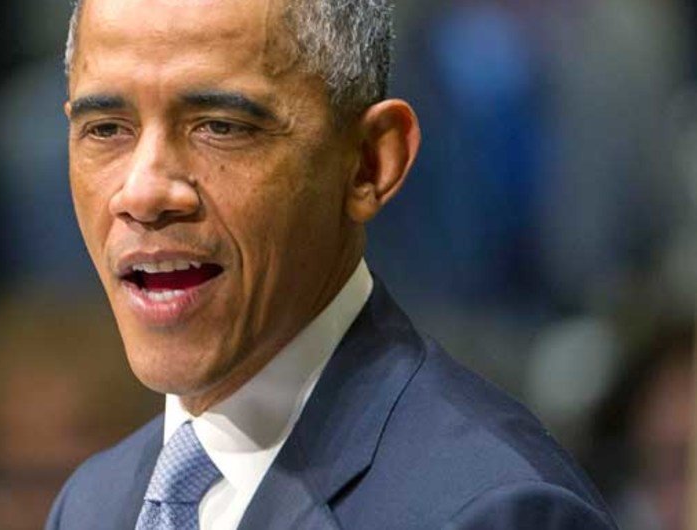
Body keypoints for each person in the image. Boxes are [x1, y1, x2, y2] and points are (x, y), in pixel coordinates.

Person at [45, 0, 617, 528]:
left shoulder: (492, 512)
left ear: (371, 163)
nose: (143, 194)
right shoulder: (94, 503)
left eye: (221, 126)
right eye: (106, 129)